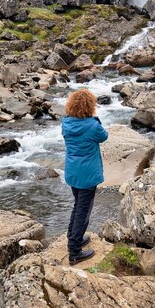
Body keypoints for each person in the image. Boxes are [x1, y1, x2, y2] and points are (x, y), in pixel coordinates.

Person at [62, 88, 108, 265]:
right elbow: (104, 136)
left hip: (73, 172)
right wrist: (94, 119)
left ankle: (74, 237)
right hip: (88, 175)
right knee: (83, 210)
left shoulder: (66, 123)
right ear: (90, 106)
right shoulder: (93, 125)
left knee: (77, 205)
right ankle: (74, 251)